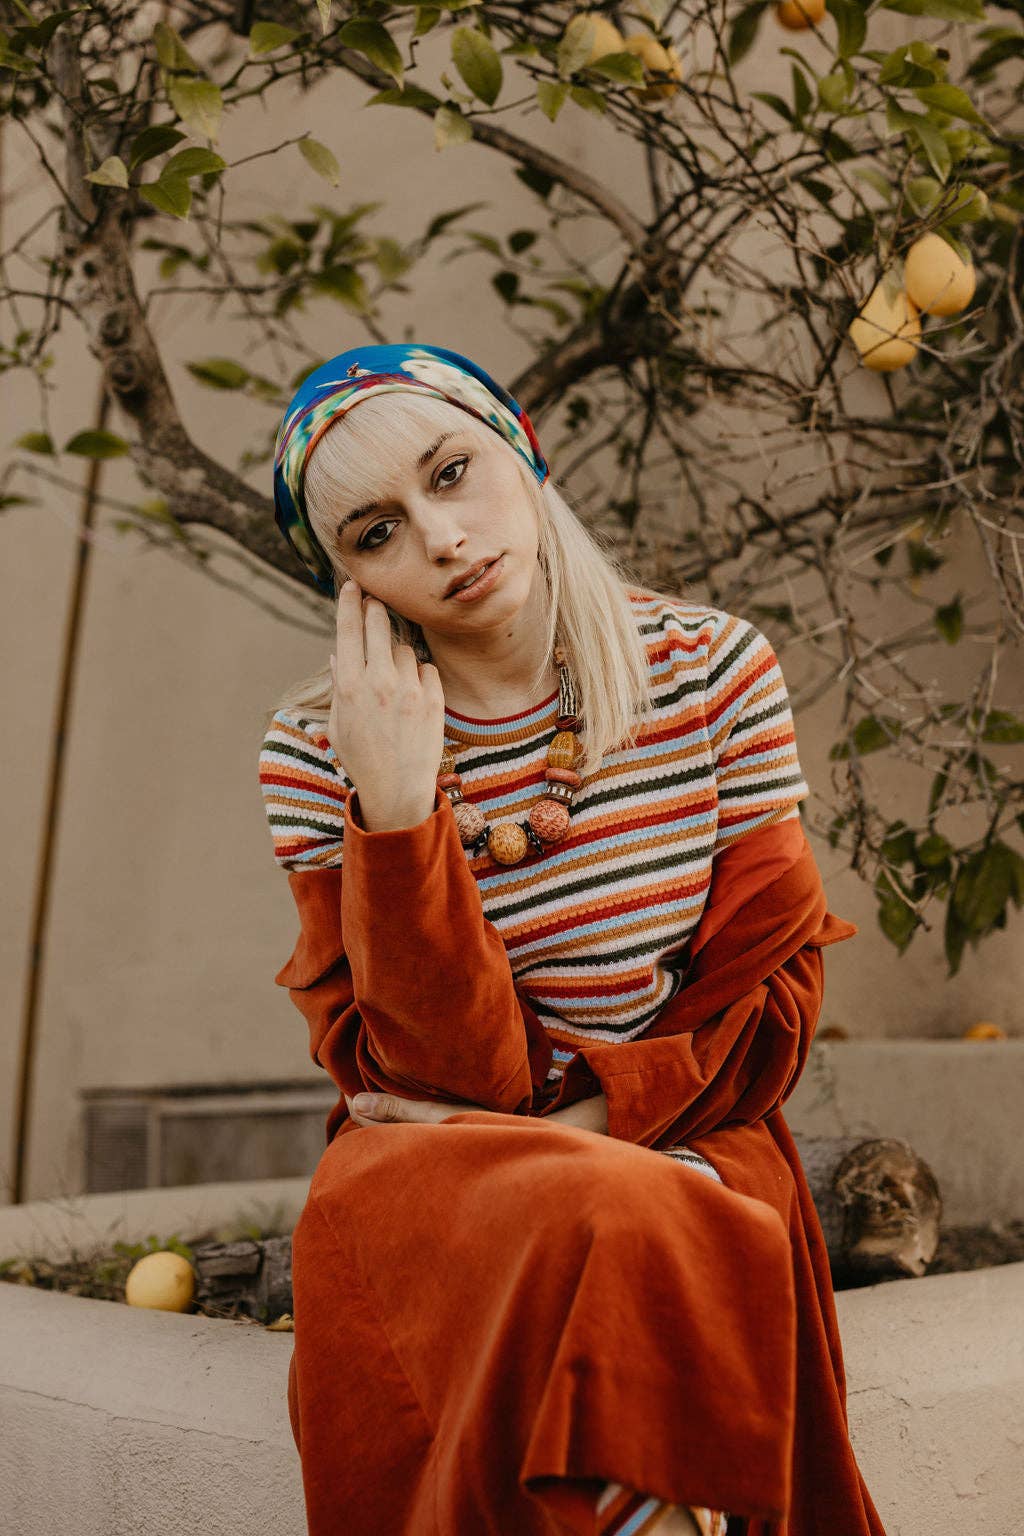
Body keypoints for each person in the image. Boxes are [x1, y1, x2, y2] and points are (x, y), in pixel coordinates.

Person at [258, 343, 886, 1536]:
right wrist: (397, 815)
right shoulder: (316, 752)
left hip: (679, 1131)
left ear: (521, 449)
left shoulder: (711, 673)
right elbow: (431, 1079)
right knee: (603, 1220)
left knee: (622, 1215)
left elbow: (770, 1011)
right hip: (436, 1178)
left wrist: (577, 1132)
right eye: (376, 533)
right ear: (349, 584)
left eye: (451, 472)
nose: (442, 537)